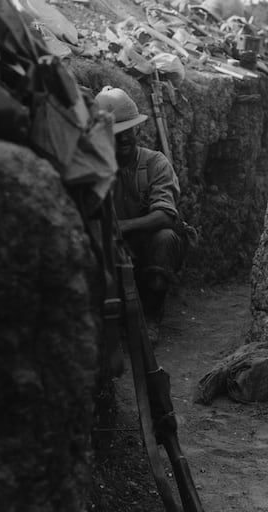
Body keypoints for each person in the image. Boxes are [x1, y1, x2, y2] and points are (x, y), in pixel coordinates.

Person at [94, 86, 186, 342]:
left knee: (165, 239)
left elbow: (166, 215)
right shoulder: (94, 168)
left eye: (128, 131)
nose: (123, 139)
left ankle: (150, 317)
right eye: (116, 134)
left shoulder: (154, 163)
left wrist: (122, 227)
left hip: (146, 247)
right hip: (110, 249)